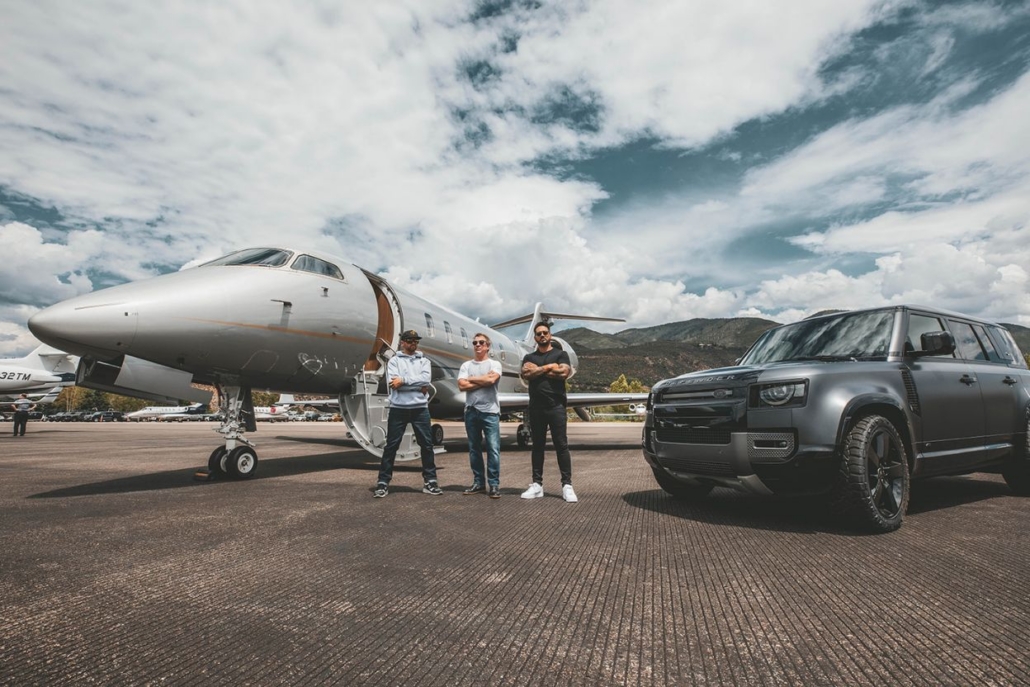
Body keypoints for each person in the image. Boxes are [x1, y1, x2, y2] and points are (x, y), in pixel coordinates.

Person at [373, 330, 442, 498]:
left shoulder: (424, 361)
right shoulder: (394, 361)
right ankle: (383, 482)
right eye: (409, 340)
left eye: (415, 341)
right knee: (391, 446)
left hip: (420, 409)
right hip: (398, 408)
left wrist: (404, 381)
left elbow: (425, 380)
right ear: (402, 342)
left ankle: (430, 481)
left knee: (426, 445)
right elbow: (393, 384)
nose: (413, 343)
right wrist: (416, 384)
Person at [520, 322, 577, 503]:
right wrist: (549, 368)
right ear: (535, 337)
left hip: (556, 406)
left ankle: (567, 486)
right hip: (536, 408)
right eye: (539, 334)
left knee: (561, 445)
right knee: (537, 446)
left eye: (545, 332)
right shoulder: (528, 356)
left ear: (550, 335)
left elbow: (564, 373)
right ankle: (537, 485)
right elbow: (525, 375)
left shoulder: (561, 354)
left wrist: (539, 369)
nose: (542, 335)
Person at [458, 333, 503, 499]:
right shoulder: (466, 365)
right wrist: (483, 379)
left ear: (487, 346)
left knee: (493, 449)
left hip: (490, 412)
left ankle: (494, 485)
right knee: (474, 449)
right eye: (475, 342)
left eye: (481, 342)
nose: (478, 345)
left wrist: (472, 379)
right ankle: (478, 483)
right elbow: (461, 386)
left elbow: (491, 381)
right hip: (471, 411)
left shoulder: (495, 364)